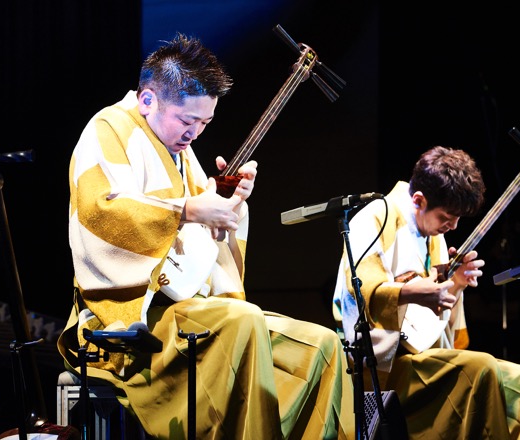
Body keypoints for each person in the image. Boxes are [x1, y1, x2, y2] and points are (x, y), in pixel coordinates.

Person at [56, 33, 353, 439]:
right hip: (130, 313)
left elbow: (202, 237)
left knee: (321, 345)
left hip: (187, 307)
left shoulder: (179, 150)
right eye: (186, 120)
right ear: (148, 99)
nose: (194, 133)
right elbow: (101, 211)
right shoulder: (109, 127)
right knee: (244, 321)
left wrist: (231, 204)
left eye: (204, 123)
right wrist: (189, 209)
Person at [332, 146, 520, 438]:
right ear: (418, 200)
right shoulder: (375, 217)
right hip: (385, 366)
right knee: (482, 368)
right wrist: (411, 293)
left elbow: (432, 319)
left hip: (425, 354)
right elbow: (360, 291)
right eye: (447, 217)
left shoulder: (433, 234)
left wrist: (457, 284)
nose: (453, 226)